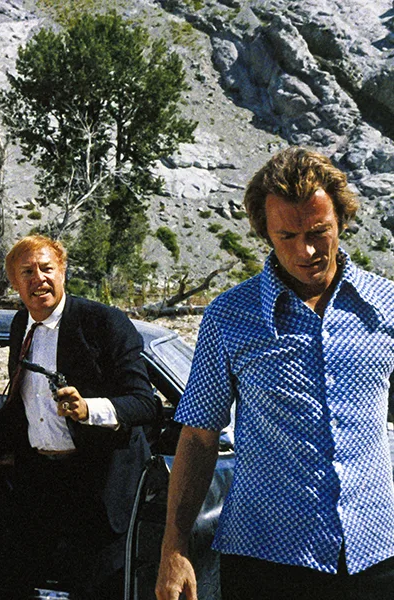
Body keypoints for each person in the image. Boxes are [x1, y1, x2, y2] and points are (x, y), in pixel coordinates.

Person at [155, 147, 394, 600]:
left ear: (341, 221)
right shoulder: (230, 316)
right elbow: (199, 437)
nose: (306, 250)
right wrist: (175, 545)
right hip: (267, 560)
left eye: (318, 232)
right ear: (264, 232)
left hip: (377, 553)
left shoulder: (387, 306)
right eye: (287, 235)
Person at [0, 234, 160, 598]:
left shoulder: (103, 323)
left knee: (97, 589)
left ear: (63, 272)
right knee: (11, 579)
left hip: (98, 483)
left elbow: (146, 403)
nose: (39, 279)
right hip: (39, 480)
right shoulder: (21, 325)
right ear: (14, 283)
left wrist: (89, 409)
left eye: (47, 268)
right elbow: (27, 400)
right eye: (27, 272)